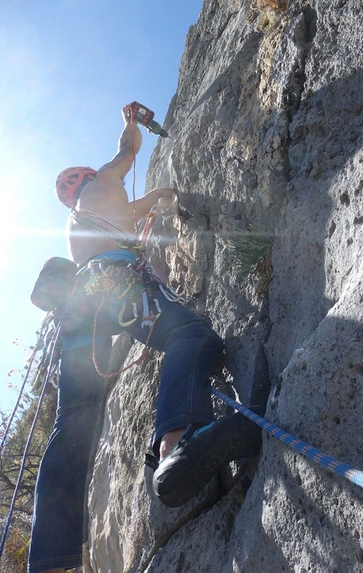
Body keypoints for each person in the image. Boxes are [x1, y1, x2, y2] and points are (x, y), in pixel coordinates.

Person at [28, 104, 262, 573]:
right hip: (116, 282)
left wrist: (160, 200)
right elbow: (126, 152)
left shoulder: (81, 218)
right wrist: (130, 126)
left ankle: (50, 563)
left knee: (71, 423)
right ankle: (175, 447)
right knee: (191, 336)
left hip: (79, 308)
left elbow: (151, 203)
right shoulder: (104, 182)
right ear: (88, 176)